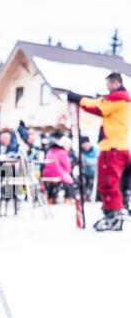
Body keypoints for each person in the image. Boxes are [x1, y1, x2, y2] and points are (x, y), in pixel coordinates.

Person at [68, 72, 131, 231]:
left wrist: (79, 99)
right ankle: (112, 213)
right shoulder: (120, 98)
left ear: (115, 82)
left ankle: (113, 216)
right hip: (117, 146)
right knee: (110, 183)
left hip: (113, 148)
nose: (107, 87)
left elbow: (98, 106)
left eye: (108, 83)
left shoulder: (118, 97)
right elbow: (99, 102)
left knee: (109, 183)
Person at [42, 136, 74, 203]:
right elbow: (67, 166)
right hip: (57, 172)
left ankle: (50, 199)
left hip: (46, 173)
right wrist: (67, 173)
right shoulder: (63, 152)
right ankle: (67, 199)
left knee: (51, 184)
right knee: (70, 182)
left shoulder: (50, 150)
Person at [80, 136, 98, 200]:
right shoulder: (81, 152)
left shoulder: (95, 150)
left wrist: (86, 161)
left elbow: (97, 161)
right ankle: (84, 195)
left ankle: (91, 195)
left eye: (86, 144)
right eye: (83, 145)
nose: (85, 146)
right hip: (84, 172)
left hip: (94, 172)